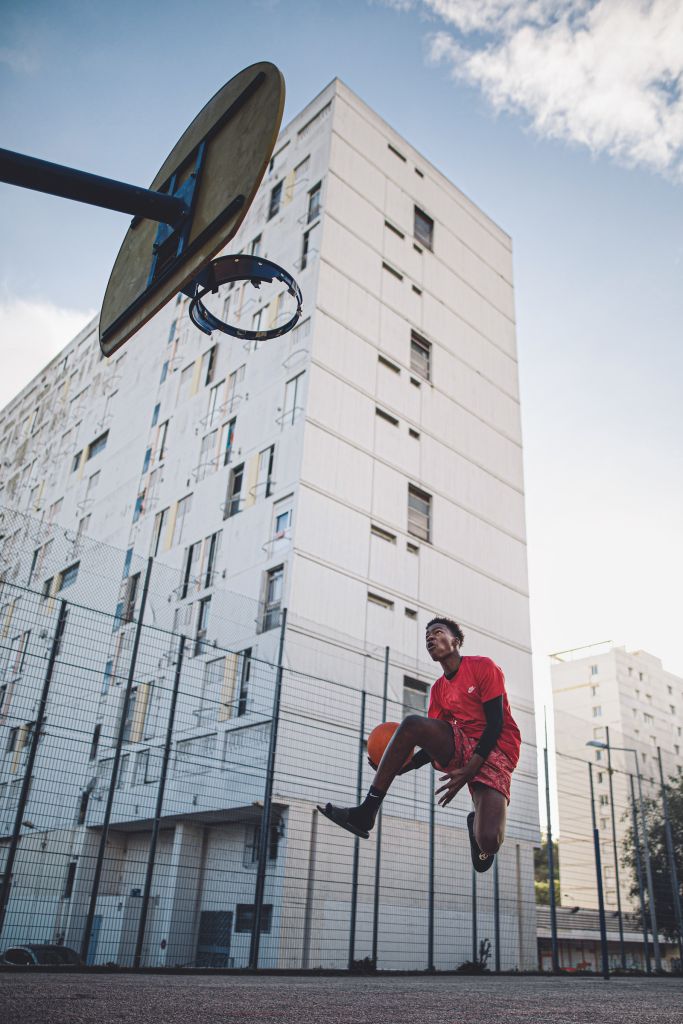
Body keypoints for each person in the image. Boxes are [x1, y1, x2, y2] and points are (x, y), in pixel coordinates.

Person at [318, 616, 521, 872]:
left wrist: (470, 770)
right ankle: (366, 813)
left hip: (497, 750)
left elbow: (495, 725)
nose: (430, 638)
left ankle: (476, 828)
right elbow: (432, 739)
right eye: (427, 636)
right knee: (413, 724)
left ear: (456, 641)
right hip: (462, 743)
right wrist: (403, 766)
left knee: (489, 843)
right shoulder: (438, 690)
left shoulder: (483, 667)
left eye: (437, 632)